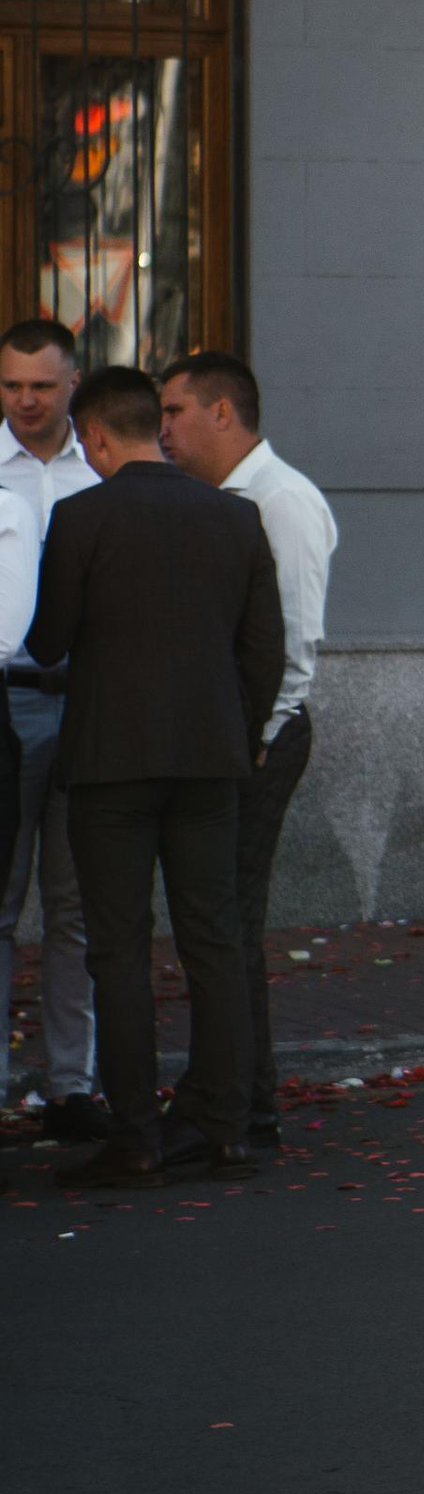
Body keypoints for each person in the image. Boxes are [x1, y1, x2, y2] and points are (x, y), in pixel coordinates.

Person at [30, 366, 283, 1191]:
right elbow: (264, 651)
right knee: (214, 941)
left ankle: (135, 1137)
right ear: (155, 427)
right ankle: (227, 1132)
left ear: (96, 436)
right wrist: (237, 736)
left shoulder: (81, 515)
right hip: (210, 760)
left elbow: (49, 639)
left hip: (110, 764)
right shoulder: (235, 517)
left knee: (119, 947)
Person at [159, 353, 338, 1149]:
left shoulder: (282, 501)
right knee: (224, 921)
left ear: (222, 413)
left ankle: (240, 1100)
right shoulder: (219, 499)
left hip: (259, 738)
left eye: (174, 412)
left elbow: (295, 639)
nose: (162, 430)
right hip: (231, 735)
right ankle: (242, 1092)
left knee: (228, 920)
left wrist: (259, 741)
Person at [0, 315, 97, 1135]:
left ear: (72, 383)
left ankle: (72, 1085)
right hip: (5, 701)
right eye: (11, 385)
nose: (26, 401)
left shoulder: (103, 470)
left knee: (74, 905)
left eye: (41, 385)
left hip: (92, 702)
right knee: (0, 904)